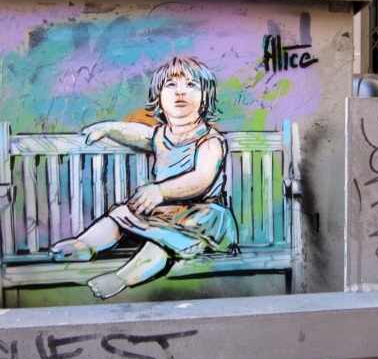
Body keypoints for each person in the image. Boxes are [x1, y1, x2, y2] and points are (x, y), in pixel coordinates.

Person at [50, 56, 238, 299]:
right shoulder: (161, 136)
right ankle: (84, 244)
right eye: (171, 85)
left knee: (160, 244)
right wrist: (107, 128)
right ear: (159, 98)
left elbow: (201, 179)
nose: (180, 92)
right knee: (121, 214)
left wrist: (160, 191)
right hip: (167, 214)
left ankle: (122, 278)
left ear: (206, 98)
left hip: (202, 219)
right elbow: (138, 134)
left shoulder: (210, 141)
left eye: (191, 85)